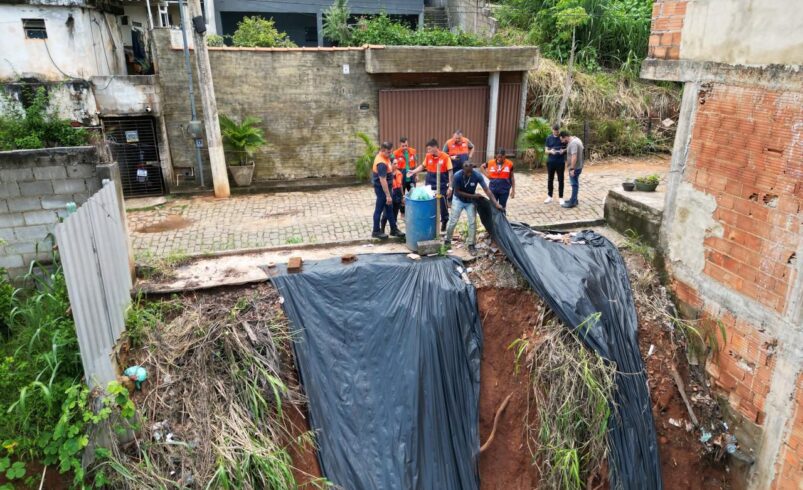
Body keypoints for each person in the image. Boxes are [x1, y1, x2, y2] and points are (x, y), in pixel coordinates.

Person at [444, 160, 503, 256]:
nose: (469, 174)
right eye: (467, 172)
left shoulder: (477, 175)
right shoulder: (457, 176)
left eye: (471, 172)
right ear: (463, 170)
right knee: (453, 221)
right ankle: (447, 240)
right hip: (458, 200)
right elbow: (458, 192)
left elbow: (487, 190)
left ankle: (471, 244)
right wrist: (474, 196)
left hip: (470, 202)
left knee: (472, 222)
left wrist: (496, 204)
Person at [409, 139, 453, 232]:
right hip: (429, 184)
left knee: (442, 204)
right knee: (429, 202)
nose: (428, 151)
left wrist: (450, 187)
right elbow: (422, 166)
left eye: (429, 149)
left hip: (441, 185)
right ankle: (430, 222)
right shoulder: (428, 156)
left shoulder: (445, 157)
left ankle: (444, 221)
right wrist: (413, 171)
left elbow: (450, 172)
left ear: (435, 147)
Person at [371, 142, 405, 239]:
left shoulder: (385, 157)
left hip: (387, 189)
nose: (390, 154)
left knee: (389, 210)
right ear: (382, 151)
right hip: (382, 190)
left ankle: (394, 229)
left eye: (391, 152)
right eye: (388, 152)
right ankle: (376, 231)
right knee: (379, 209)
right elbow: (383, 180)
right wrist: (388, 195)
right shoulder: (381, 163)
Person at [560, 130, 584, 208]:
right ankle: (574, 199)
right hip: (579, 166)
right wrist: (564, 150)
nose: (562, 141)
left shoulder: (573, 143)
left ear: (565, 137)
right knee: (575, 183)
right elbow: (573, 149)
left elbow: (574, 156)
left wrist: (572, 169)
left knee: (574, 185)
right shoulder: (576, 139)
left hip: (575, 167)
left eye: (562, 139)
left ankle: (572, 202)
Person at [544, 124, 566, 205]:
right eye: (554, 131)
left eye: (557, 131)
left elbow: (567, 147)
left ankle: (561, 197)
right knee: (550, 179)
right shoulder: (549, 138)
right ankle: (549, 196)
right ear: (552, 129)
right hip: (551, 162)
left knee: (561, 179)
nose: (556, 133)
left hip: (560, 162)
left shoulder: (562, 137)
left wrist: (563, 151)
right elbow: (546, 150)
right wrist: (551, 151)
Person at [380, 160, 404, 234]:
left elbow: (401, 185)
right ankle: (382, 230)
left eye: (397, 163)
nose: (396, 165)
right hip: (390, 194)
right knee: (385, 214)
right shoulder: (386, 175)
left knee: (395, 213)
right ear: (390, 165)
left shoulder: (399, 173)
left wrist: (402, 196)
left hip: (397, 194)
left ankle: (393, 230)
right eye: (394, 164)